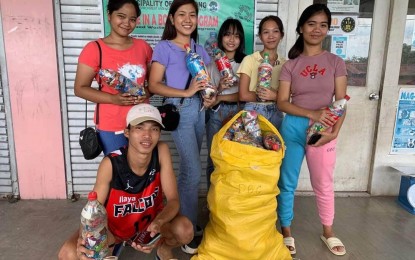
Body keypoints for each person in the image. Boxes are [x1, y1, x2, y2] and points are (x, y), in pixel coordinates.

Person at [58, 104, 193, 260]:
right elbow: (93, 212)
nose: (147, 135)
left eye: (154, 129)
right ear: (127, 132)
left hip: (148, 227)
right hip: (113, 231)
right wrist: (85, 237)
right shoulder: (111, 163)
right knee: (68, 253)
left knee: (185, 229)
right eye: (139, 128)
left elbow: (173, 200)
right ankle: (111, 248)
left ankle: (163, 250)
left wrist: (158, 222)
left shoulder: (161, 151)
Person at [276, 4, 347, 256]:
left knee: (323, 183)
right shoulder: (290, 65)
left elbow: (341, 101)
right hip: (293, 127)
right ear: (301, 28)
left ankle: (328, 231)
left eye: (323, 25)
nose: (317, 29)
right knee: (287, 182)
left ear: (328, 29)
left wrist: (334, 131)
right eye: (311, 24)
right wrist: (310, 113)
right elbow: (282, 102)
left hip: (323, 129)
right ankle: (286, 230)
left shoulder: (335, 62)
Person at [148, 0, 216, 254]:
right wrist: (186, 92)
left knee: (191, 170)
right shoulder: (164, 47)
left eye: (192, 15)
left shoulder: (198, 47)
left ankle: (189, 222)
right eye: (181, 15)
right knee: (192, 171)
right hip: (179, 109)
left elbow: (205, 79)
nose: (187, 19)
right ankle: (185, 230)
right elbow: (154, 84)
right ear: (171, 19)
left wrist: (207, 95)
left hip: (199, 110)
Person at [74, 0, 153, 155]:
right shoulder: (94, 49)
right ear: (109, 15)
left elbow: (154, 84)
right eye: (121, 16)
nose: (126, 23)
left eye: (132, 19)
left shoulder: (143, 47)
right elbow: (80, 88)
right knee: (118, 171)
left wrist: (146, 93)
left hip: (143, 121)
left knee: (142, 173)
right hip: (111, 124)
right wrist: (113, 99)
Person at [205, 18, 246, 188]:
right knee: (214, 158)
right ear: (221, 37)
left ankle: (232, 199)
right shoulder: (211, 65)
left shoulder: (246, 62)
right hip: (216, 114)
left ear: (241, 39)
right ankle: (211, 201)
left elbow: (246, 95)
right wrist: (220, 88)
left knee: (237, 158)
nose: (231, 39)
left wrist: (221, 97)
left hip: (239, 112)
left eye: (236, 36)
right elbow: (208, 96)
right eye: (228, 34)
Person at [237, 15, 286, 130]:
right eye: (266, 32)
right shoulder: (249, 60)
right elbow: (243, 95)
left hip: (276, 112)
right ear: (260, 36)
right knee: (253, 146)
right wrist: (267, 96)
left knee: (275, 146)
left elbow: (288, 97)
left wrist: (275, 96)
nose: (271, 36)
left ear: (281, 35)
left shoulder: (286, 64)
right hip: (253, 111)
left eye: (275, 31)